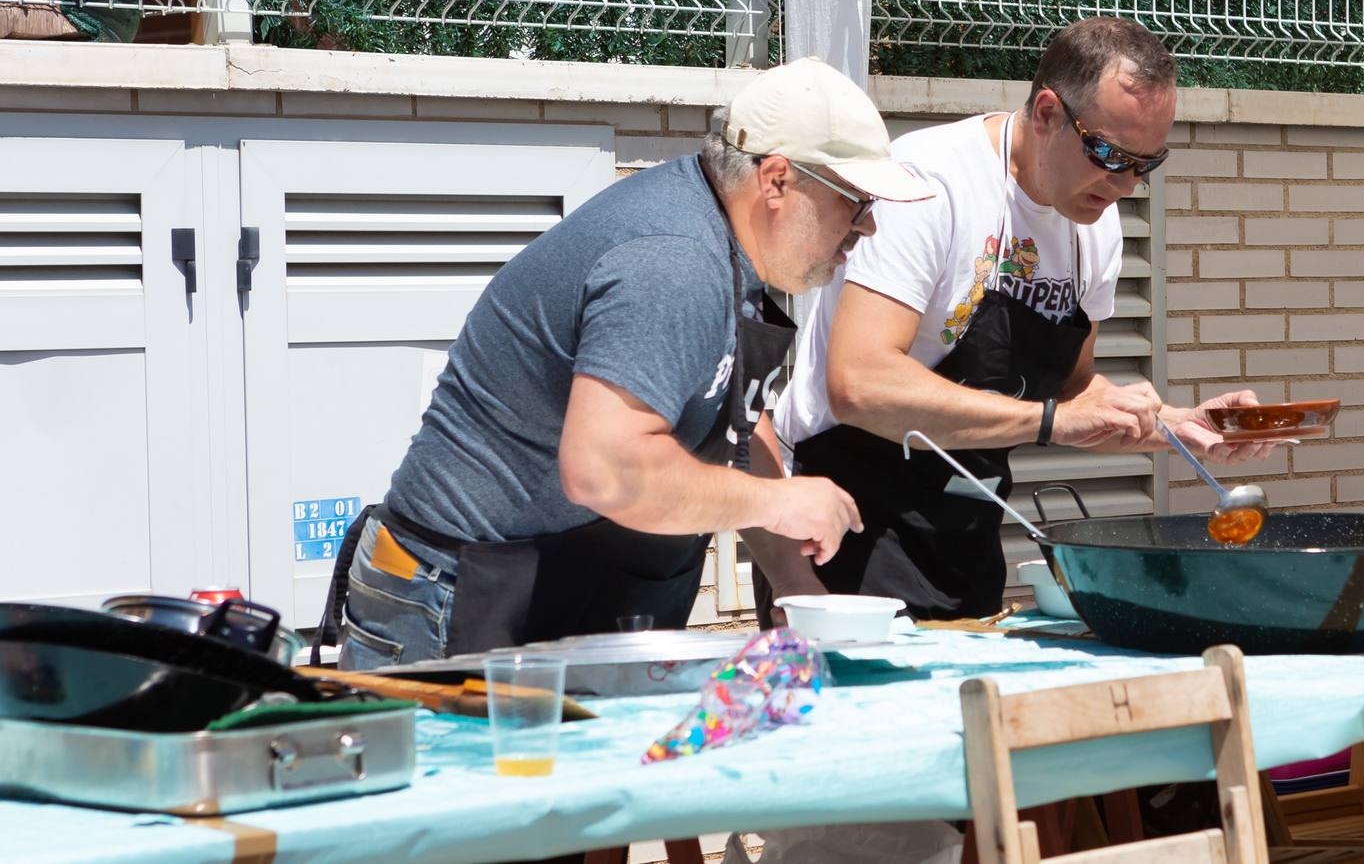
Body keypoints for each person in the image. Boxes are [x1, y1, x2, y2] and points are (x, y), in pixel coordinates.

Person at [317, 58, 935, 670]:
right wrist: (779, 504)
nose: (870, 226)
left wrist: (795, 585)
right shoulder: (673, 262)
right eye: (856, 203)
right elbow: (606, 470)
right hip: (450, 594)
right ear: (776, 181)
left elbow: (743, 425)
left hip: (549, 581)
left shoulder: (730, 244)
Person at [765, 17, 1273, 624]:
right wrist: (1052, 424)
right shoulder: (930, 184)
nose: (1124, 184)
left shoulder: (1095, 222)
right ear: (1048, 114)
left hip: (967, 523)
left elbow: (1072, 382)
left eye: (1147, 163)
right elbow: (859, 384)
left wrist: (1178, 425)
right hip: (845, 515)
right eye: (1110, 155)